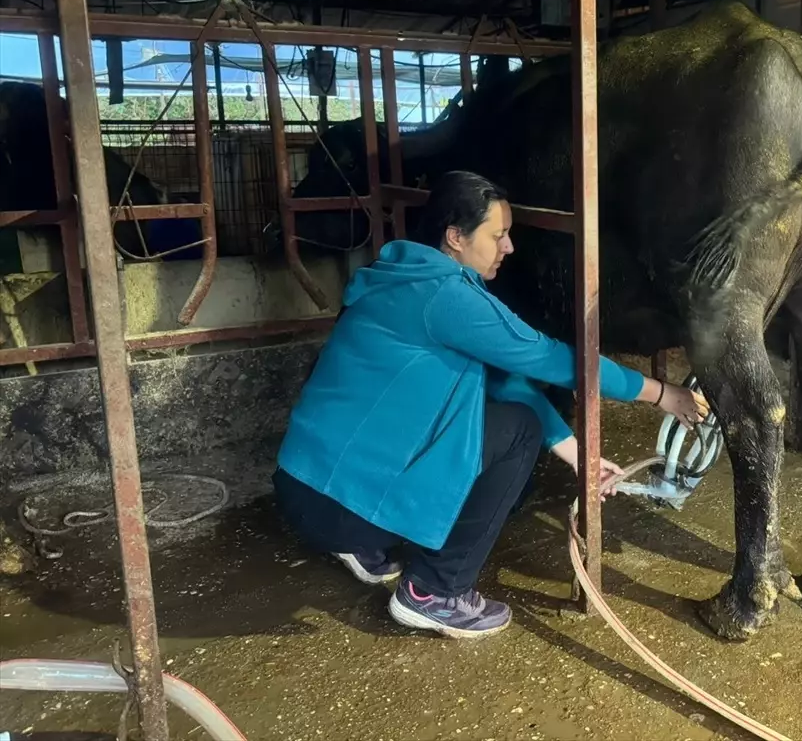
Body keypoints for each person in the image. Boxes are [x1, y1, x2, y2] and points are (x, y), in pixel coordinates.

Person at [273, 170, 708, 639]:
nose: (509, 248)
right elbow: (560, 362)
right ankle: (434, 592)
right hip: (340, 508)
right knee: (516, 434)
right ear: (455, 237)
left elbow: (509, 383)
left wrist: (582, 458)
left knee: (500, 417)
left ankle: (367, 546)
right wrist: (662, 393)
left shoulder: (399, 275)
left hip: (302, 488)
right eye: (498, 235)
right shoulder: (448, 297)